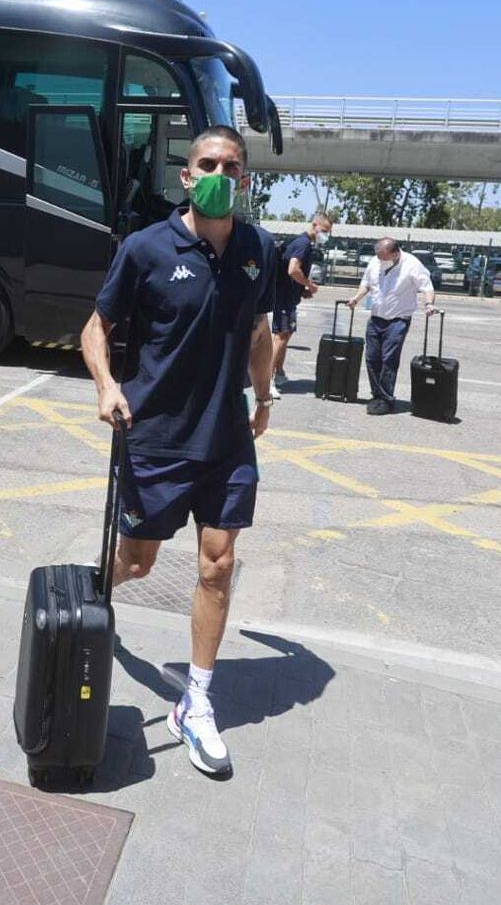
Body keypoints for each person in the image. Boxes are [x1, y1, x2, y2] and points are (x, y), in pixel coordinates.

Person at [81, 124, 275, 777]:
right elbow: (95, 327)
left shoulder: (258, 248)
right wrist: (108, 385)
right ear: (187, 176)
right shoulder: (146, 248)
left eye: (232, 164)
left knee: (218, 566)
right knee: (137, 564)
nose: (220, 172)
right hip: (157, 439)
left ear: (245, 178)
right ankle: (96, 590)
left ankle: (195, 700)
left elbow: (258, 328)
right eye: (207, 163)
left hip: (225, 442)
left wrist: (264, 395)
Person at [345, 237, 438, 415]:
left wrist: (428, 304)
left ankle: (386, 399)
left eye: (383, 257)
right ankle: (377, 394)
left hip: (398, 320)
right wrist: (356, 298)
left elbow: (427, 287)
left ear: (395, 253)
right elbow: (366, 283)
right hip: (376, 318)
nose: (380, 260)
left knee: (389, 359)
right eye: (378, 256)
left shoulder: (412, 264)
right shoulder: (376, 261)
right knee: (372, 358)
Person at [271, 212, 333, 394]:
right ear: (314, 225)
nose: (325, 235)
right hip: (283, 297)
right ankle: (267, 380)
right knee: (281, 336)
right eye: (324, 230)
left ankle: (279, 372)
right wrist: (309, 284)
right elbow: (292, 269)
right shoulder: (303, 244)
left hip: (289, 296)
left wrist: (302, 290)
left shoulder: (302, 242)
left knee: (286, 334)